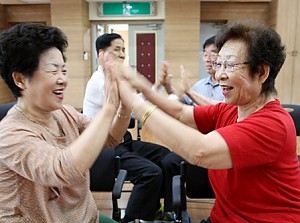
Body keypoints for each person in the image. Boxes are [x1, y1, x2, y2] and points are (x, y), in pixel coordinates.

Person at [112, 19, 300, 222]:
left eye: (229, 65)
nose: (219, 75)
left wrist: (133, 102)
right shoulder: (231, 109)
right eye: (219, 64)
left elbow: (199, 152)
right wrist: (141, 86)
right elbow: (180, 112)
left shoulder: (272, 124)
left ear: (261, 72)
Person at [0, 23, 128, 223]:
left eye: (64, 70)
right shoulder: (10, 134)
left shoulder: (64, 113)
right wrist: (109, 107)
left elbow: (110, 138)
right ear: (20, 80)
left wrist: (125, 107)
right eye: (53, 71)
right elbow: (63, 171)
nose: (63, 80)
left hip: (87, 217)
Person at [83, 33, 175, 222]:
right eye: (116, 49)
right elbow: (137, 108)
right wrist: (173, 99)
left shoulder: (115, 79)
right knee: (150, 172)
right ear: (102, 54)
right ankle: (131, 218)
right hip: (105, 148)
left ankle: (157, 210)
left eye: (124, 49)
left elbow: (139, 100)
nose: (123, 54)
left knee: (167, 157)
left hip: (122, 141)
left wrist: (158, 85)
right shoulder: (100, 82)